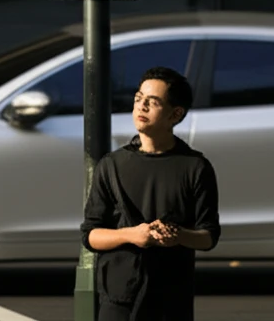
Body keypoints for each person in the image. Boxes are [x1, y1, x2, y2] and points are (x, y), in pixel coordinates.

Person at [79, 66, 221, 321]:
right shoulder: (111, 165)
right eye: (138, 98)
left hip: (171, 301)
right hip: (118, 300)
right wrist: (133, 235)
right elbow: (91, 235)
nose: (141, 106)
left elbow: (208, 236)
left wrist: (177, 235)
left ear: (175, 114)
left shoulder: (196, 167)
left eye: (152, 102)